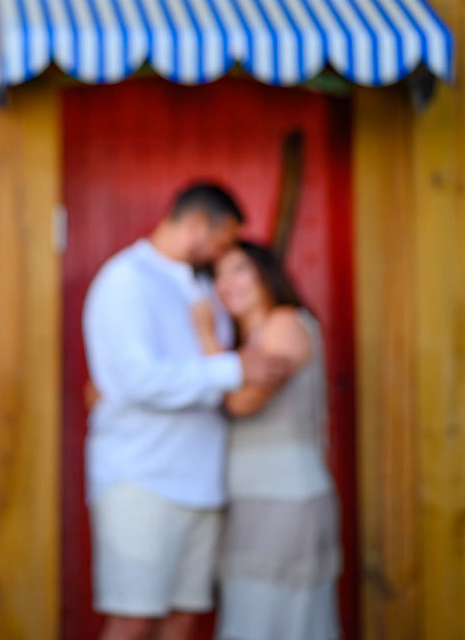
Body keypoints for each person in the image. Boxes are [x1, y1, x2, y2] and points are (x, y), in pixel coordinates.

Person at [83, 183, 291, 640]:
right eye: (225, 239)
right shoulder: (126, 279)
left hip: (202, 483)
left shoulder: (202, 285)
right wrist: (232, 370)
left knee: (181, 619)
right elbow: (134, 380)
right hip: (141, 478)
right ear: (197, 225)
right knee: (133, 619)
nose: (227, 251)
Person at [193, 240, 342, 640]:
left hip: (286, 500)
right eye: (218, 275)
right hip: (254, 500)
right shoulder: (246, 345)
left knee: (275, 621)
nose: (226, 283)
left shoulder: (285, 322)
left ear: (265, 273)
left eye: (238, 269)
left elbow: (243, 402)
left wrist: (204, 335)